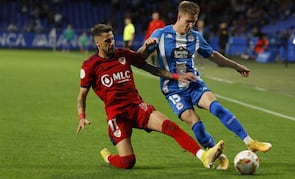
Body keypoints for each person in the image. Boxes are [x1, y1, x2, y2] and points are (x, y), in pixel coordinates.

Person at [137, 1, 272, 170]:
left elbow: (214, 55)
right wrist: (146, 47)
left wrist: (236, 66)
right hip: (172, 90)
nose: (190, 25)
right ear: (179, 17)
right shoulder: (161, 34)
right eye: (188, 21)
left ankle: (249, 142)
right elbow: (138, 58)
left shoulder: (195, 36)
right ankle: (218, 156)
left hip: (194, 84)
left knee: (216, 107)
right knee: (195, 122)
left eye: (194, 21)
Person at [76, 24, 224, 170]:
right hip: (117, 115)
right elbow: (82, 96)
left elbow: (152, 69)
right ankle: (108, 157)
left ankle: (203, 156)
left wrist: (176, 76)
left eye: (113, 39)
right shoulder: (90, 65)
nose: (112, 43)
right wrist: (82, 116)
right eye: (107, 41)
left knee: (170, 126)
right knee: (128, 162)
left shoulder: (124, 54)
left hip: (136, 107)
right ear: (98, 43)